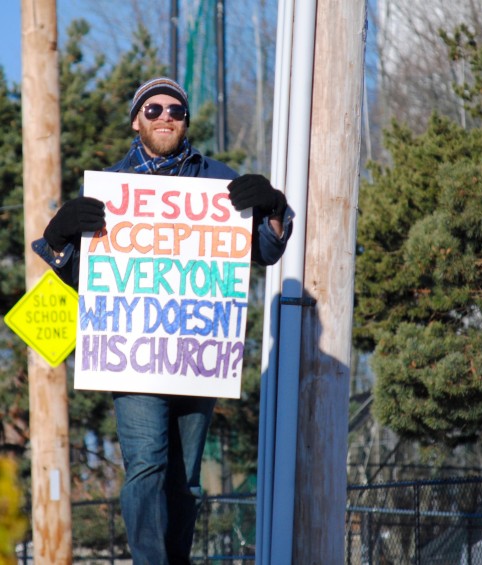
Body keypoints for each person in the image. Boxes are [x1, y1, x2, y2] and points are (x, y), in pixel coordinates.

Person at [33, 77, 292, 565]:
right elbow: (82, 275)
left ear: (186, 120)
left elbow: (264, 249)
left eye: (176, 109)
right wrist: (60, 235)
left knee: (185, 480)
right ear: (137, 120)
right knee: (147, 464)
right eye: (153, 110)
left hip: (199, 349)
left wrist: (273, 208)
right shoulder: (111, 190)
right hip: (133, 353)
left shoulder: (220, 183)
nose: (166, 116)